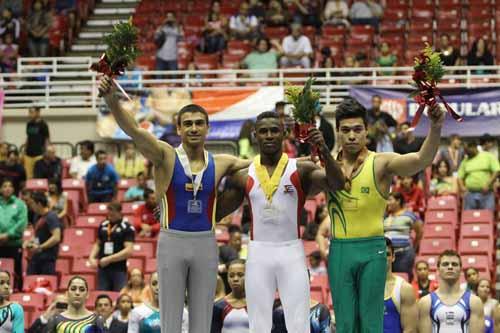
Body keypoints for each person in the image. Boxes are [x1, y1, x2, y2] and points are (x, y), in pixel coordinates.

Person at [99, 76, 250, 333]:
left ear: (207, 128)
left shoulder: (223, 161)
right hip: (173, 241)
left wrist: (304, 158)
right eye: (188, 124)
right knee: (170, 317)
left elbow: (264, 166)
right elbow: (134, 131)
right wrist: (111, 99)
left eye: (199, 124)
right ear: (178, 129)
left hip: (206, 241)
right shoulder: (165, 155)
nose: (193, 128)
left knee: (202, 316)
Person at [316, 97, 445, 332]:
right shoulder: (324, 165)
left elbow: (420, 160)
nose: (352, 136)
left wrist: (435, 127)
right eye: (345, 130)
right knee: (345, 324)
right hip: (339, 250)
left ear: (367, 131)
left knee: (371, 323)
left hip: (372, 250)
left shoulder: (380, 163)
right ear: (337, 132)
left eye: (357, 129)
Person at [216, 111, 344, 333]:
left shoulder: (301, 169)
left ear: (285, 134)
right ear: (255, 135)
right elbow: (216, 213)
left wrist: (323, 148)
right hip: (258, 254)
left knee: (299, 324)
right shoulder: (243, 175)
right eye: (263, 131)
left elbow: (337, 183)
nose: (268, 136)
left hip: (291, 252)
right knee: (258, 324)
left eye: (274, 130)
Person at [417, 250, 484, 332]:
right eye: (445, 264)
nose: (450, 267)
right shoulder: (426, 302)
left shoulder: (474, 302)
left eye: (454, 264)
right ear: (438, 270)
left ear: (460, 270)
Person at [89, 202, 134, 291]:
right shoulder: (103, 225)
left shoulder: (127, 227)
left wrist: (109, 259)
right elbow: (98, 243)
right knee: (102, 296)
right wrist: (91, 257)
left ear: (119, 212)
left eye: (112, 213)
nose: (110, 215)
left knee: (120, 296)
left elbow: (128, 251)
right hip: (103, 269)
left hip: (118, 270)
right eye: (108, 212)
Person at [383, 192, 422, 282]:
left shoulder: (409, 215)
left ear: (398, 201)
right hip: (388, 254)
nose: (387, 203)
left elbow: (419, 231)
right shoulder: (386, 217)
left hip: (404, 254)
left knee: (403, 279)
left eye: (390, 200)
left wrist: (414, 247)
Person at [383, 237, 417, 333]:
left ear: (393, 257)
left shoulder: (404, 289)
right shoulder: (362, 287)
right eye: (379, 254)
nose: (383, 258)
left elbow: (410, 330)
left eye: (387, 254)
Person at [24, 191, 62, 275]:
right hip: (36, 258)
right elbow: (38, 237)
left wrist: (41, 247)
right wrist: (30, 242)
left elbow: (56, 237)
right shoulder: (36, 217)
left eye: (32, 203)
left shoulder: (51, 216)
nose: (30, 206)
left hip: (48, 259)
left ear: (39, 204)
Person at [0, 179, 27, 290]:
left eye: (10, 186)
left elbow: (21, 223)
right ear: (0, 189)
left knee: (16, 271)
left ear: (13, 189)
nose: (7, 188)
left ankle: (18, 292)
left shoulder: (20, 204)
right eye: (4, 186)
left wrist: (7, 235)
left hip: (14, 244)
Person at [458, 140, 499, 211]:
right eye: (465, 151)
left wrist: (488, 184)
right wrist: (462, 187)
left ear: (474, 147)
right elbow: (460, 176)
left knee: (486, 217)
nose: (466, 153)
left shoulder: (488, 156)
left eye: (467, 150)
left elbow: (497, 170)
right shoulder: (465, 160)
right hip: (470, 194)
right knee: (469, 218)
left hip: (486, 194)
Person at [211, 259, 249, 333]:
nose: (235, 279)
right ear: (227, 278)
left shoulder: (257, 305)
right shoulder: (218, 306)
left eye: (240, 275)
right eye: (231, 276)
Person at [24, 106, 50, 179]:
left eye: (32, 112)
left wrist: (46, 152)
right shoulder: (29, 124)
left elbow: (47, 139)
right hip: (28, 154)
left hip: (39, 154)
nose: (29, 114)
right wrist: (24, 151)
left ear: (38, 113)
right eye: (29, 112)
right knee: (28, 176)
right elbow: (28, 138)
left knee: (37, 176)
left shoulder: (43, 124)